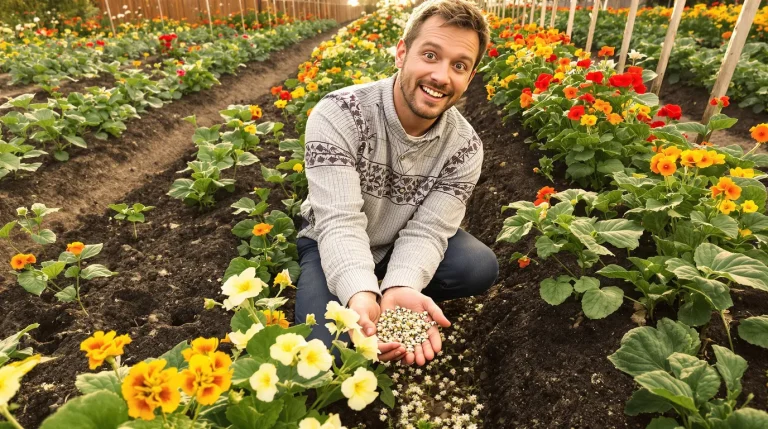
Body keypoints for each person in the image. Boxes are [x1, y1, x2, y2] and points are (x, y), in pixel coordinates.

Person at [294, 0, 497, 366]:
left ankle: (391, 290)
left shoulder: (465, 147)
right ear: (402, 52)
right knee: (326, 351)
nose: (441, 76)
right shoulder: (340, 113)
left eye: (459, 65)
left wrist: (402, 286)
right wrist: (359, 292)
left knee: (478, 265)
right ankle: (363, 290)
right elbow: (339, 221)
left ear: (470, 77)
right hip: (329, 241)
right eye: (430, 55)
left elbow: (429, 229)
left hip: (396, 242)